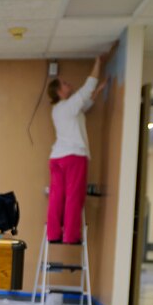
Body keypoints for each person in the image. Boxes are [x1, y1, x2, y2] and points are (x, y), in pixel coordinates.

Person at [45, 55, 107, 244]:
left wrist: (98, 91)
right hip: (74, 157)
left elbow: (84, 105)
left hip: (57, 158)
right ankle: (71, 236)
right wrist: (98, 63)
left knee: (56, 197)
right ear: (59, 91)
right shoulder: (69, 105)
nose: (68, 84)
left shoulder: (59, 109)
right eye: (64, 84)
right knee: (73, 196)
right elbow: (87, 89)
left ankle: (53, 234)